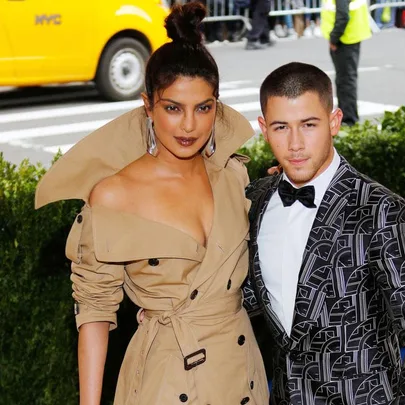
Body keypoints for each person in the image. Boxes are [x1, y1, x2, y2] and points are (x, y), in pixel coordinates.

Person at [34, 3, 269, 405]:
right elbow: (94, 311)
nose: (189, 126)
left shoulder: (234, 177)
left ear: (218, 106)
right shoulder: (113, 194)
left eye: (204, 108)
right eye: (173, 108)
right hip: (165, 378)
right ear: (148, 105)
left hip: (242, 375)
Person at [243, 62, 405, 404]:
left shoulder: (381, 210)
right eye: (281, 127)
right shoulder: (256, 199)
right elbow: (249, 294)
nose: (295, 144)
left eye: (308, 125)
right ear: (264, 128)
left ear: (334, 122)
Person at [320, 0, 372, 126]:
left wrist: (334, 37)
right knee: (344, 79)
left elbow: (343, 15)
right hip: (350, 36)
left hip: (345, 39)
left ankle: (349, 119)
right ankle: (346, 116)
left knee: (345, 81)